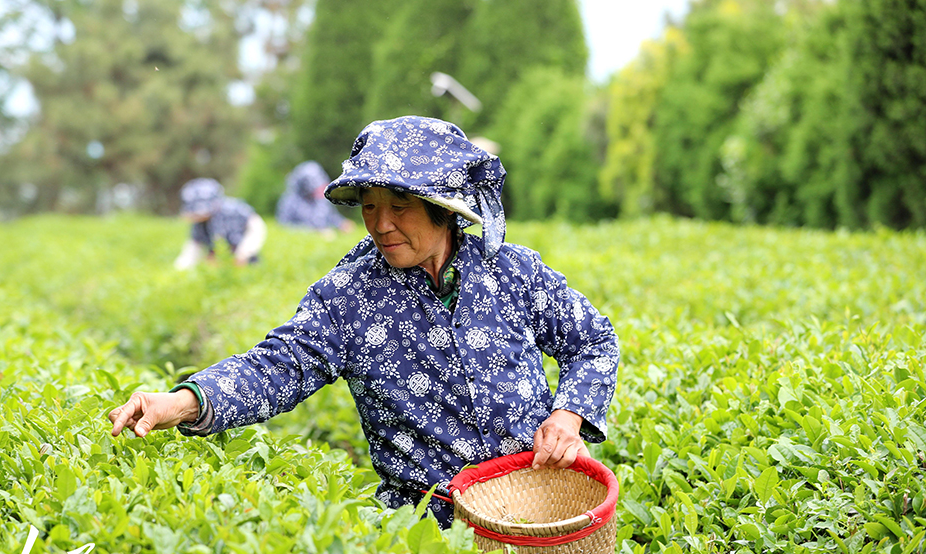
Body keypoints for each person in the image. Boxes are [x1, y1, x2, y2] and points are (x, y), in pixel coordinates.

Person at [110, 116, 619, 527]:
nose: (381, 223)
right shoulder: (350, 296)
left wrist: (567, 416)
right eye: (369, 206)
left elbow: (594, 341)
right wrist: (184, 401)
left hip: (540, 507)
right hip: (429, 529)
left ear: (445, 209)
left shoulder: (511, 270)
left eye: (400, 205)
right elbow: (277, 367)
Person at [174, 178, 267, 270]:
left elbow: (256, 230)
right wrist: (181, 267)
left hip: (242, 253)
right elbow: (194, 246)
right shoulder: (199, 224)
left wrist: (244, 253)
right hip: (220, 259)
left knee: (249, 268)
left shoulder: (235, 210)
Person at [275, 161, 355, 233]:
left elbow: (332, 217)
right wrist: (314, 232)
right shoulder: (289, 202)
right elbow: (284, 226)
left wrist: (342, 224)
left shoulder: (321, 201)